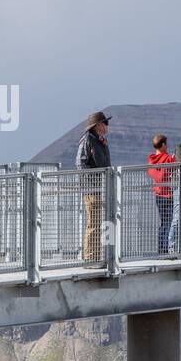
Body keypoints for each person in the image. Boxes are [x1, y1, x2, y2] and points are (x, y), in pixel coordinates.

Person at [75, 110, 112, 262]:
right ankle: (91, 258)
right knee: (94, 224)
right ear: (97, 126)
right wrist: (94, 183)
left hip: (100, 189)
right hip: (93, 190)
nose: (107, 126)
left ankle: (98, 257)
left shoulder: (99, 140)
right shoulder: (88, 140)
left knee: (100, 224)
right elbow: (80, 164)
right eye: (105, 123)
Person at [147, 134, 177, 254]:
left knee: (164, 222)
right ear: (163, 145)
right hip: (168, 195)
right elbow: (171, 170)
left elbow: (155, 175)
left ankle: (161, 249)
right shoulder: (168, 159)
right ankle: (166, 249)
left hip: (158, 195)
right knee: (170, 222)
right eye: (166, 143)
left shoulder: (151, 160)